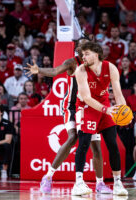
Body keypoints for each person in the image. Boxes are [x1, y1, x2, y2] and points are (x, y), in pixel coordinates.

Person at [25, 38, 109, 194]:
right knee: (72, 137)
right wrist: (40, 70)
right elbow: (56, 71)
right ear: (77, 49)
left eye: (85, 45)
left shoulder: (96, 64)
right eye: (80, 45)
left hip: (89, 108)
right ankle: (48, 177)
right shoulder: (72, 62)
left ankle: (99, 183)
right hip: (71, 106)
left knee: (96, 147)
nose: (82, 47)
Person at [74, 41, 128, 196]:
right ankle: (78, 183)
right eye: (82, 54)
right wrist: (107, 110)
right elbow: (86, 97)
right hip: (86, 106)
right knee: (83, 143)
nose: (83, 57)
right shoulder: (81, 70)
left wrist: (123, 112)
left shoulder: (110, 67)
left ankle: (117, 183)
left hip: (104, 105)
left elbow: (118, 93)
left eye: (87, 53)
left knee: (112, 143)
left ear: (96, 54)